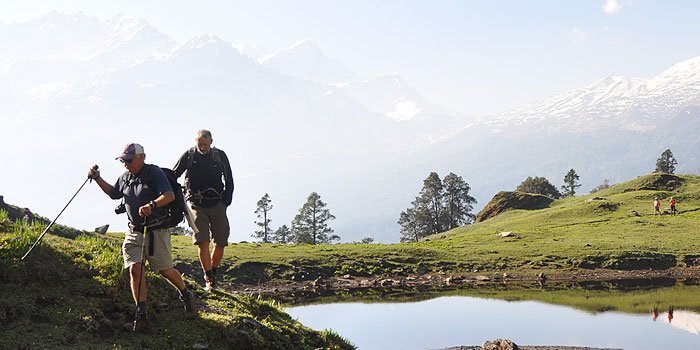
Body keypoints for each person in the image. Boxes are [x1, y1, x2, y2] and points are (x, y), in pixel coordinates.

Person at [88, 143, 197, 331]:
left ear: (142, 157)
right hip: (134, 232)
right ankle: (142, 316)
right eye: (123, 160)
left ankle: (186, 294)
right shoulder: (125, 177)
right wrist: (97, 178)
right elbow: (114, 193)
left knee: (165, 270)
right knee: (135, 270)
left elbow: (169, 195)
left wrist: (152, 205)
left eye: (129, 160)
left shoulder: (154, 173)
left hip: (157, 231)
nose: (125, 164)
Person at [173, 130, 233, 291]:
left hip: (217, 203)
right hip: (196, 204)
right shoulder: (189, 155)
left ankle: (213, 271)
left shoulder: (220, 156)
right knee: (202, 242)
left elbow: (229, 179)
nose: (203, 147)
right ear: (196, 142)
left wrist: (226, 201)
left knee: (220, 242)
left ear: (211, 142)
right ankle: (209, 279)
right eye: (200, 144)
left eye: (205, 144)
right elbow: (174, 175)